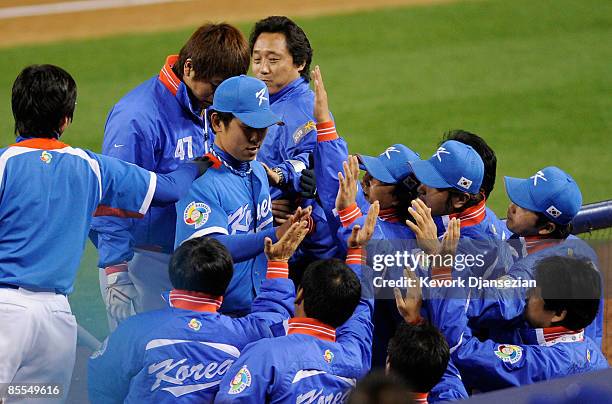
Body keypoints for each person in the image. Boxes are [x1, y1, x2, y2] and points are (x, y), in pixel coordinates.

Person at [0, 64, 208, 403]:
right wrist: (203, 162)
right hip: (56, 322)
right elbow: (170, 189)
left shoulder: (4, 164)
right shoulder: (92, 166)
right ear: (66, 119)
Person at [90, 23, 250, 328]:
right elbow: (111, 195)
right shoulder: (138, 116)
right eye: (216, 87)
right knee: (145, 361)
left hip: (195, 261)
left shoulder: (206, 104)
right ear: (189, 68)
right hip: (144, 263)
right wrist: (115, 269)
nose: (220, 99)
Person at [88, 220, 310, 403]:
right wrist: (279, 262)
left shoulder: (134, 330)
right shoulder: (248, 335)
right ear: (224, 289)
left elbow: (101, 384)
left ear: (172, 276)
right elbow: (274, 314)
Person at [402, 203, 608, 392]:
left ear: (558, 313)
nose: (527, 296)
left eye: (535, 293)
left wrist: (442, 268)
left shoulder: (546, 364)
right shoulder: (591, 354)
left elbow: (461, 350)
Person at [214, 201, 379, 403]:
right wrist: (357, 252)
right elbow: (361, 310)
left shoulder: (266, 354)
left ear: (299, 295)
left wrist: (278, 262)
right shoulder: (357, 356)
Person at [174, 74, 311, 315]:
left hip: (262, 307)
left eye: (262, 128)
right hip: (217, 316)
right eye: (248, 128)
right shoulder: (196, 177)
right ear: (217, 122)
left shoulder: (257, 170)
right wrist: (275, 234)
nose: (256, 138)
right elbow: (210, 249)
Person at [468, 166, 603, 347]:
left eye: (524, 206)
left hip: (534, 367)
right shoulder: (580, 248)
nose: (512, 206)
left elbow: (473, 308)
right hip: (582, 355)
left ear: (547, 227)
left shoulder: (529, 274)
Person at [250, 16, 338, 265]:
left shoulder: (303, 108)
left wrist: (279, 175)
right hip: (276, 231)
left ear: (299, 63)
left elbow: (309, 161)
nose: (262, 69)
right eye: (257, 59)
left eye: (273, 59)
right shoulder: (265, 101)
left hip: (304, 245)